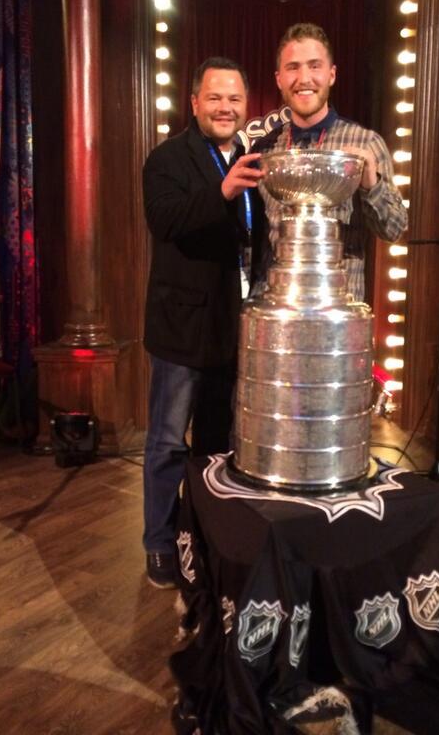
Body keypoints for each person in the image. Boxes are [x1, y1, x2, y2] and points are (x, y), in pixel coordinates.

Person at [142, 57, 263, 588]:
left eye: (234, 99)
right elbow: (166, 220)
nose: (225, 107)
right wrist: (223, 192)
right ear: (194, 103)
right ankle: (160, 544)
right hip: (180, 330)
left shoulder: (252, 159)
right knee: (169, 442)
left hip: (232, 329)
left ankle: (203, 535)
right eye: (215, 98)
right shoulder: (168, 158)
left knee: (216, 445)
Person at [251, 22, 408, 299]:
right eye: (293, 67)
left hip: (337, 314)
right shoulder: (264, 151)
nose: (304, 78)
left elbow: (394, 230)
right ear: (278, 79)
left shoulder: (365, 143)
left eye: (314, 66)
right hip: (276, 310)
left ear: (331, 74)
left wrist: (371, 184)